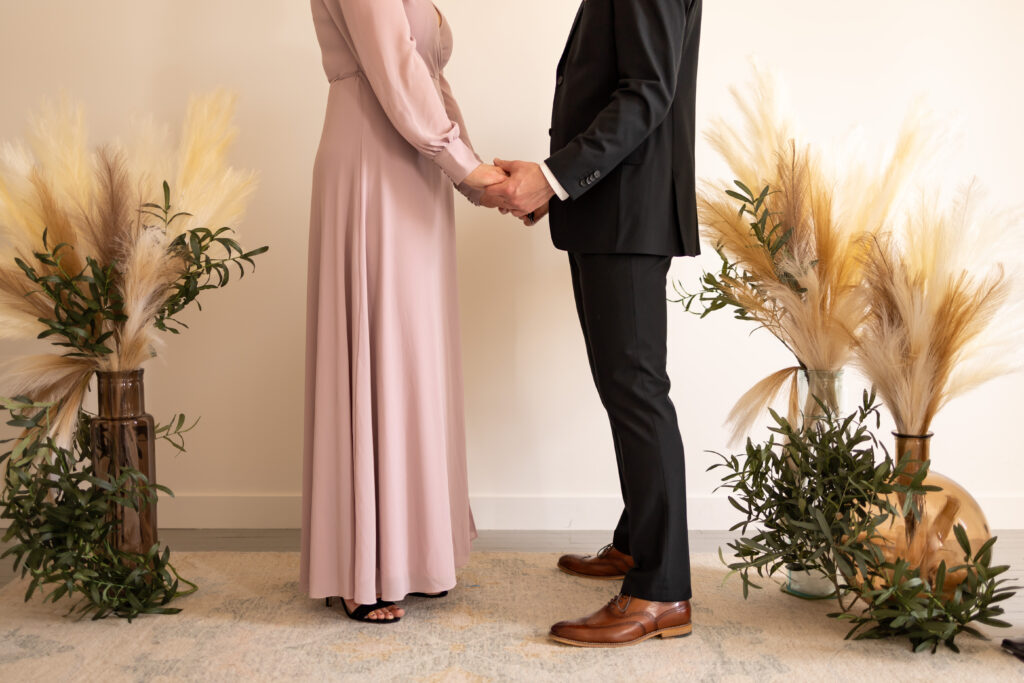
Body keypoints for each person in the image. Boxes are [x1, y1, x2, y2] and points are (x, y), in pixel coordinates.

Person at [484, 0, 703, 648]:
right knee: (624, 385)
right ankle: (639, 543)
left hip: (626, 212)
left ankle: (662, 589)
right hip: (610, 207)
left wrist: (552, 179)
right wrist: (555, 186)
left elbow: (647, 94)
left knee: (636, 389)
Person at [301, 0, 506, 623]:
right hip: (373, 158)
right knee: (380, 341)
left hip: (415, 165)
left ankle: (414, 552)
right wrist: (468, 170)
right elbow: (394, 68)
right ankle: (363, 566)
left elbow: (427, 80)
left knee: (413, 349)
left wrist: (471, 167)